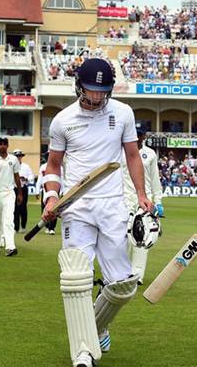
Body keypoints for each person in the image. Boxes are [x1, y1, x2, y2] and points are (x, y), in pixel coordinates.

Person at [41, 58, 153, 367]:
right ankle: (82, 352)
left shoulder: (123, 113)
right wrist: (52, 197)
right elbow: (53, 165)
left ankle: (97, 326)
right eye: (91, 91)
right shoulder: (63, 120)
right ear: (79, 86)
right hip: (76, 207)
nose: (96, 98)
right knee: (76, 274)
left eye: (102, 92)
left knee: (122, 284)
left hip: (113, 204)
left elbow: (132, 155)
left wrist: (142, 194)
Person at [122, 126, 164, 285]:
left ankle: (137, 274)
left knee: (142, 236)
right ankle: (122, 271)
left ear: (144, 136)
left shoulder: (150, 154)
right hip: (125, 199)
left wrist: (158, 202)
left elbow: (155, 180)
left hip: (145, 201)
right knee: (123, 237)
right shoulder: (121, 152)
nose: (138, 138)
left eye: (140, 135)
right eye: (135, 134)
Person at [35, 152, 64, 235]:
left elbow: (62, 180)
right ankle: (47, 226)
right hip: (45, 190)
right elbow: (40, 179)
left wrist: (62, 191)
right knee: (44, 208)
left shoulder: (60, 168)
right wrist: (37, 191)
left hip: (56, 190)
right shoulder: (43, 167)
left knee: (54, 209)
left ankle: (52, 228)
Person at [12, 149, 33, 233]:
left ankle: (23, 226)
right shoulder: (11, 166)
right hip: (14, 188)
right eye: (17, 156)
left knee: (23, 208)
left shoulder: (26, 166)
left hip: (23, 188)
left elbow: (31, 176)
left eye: (20, 156)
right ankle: (16, 227)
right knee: (15, 208)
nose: (18, 158)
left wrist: (26, 178)